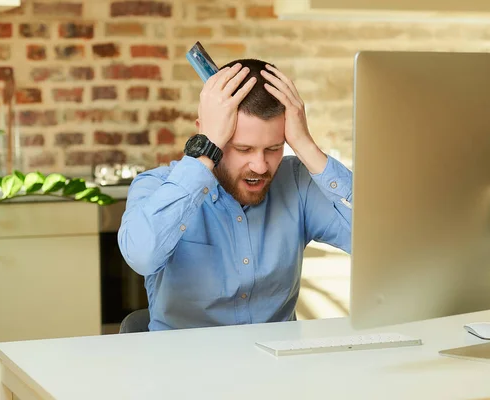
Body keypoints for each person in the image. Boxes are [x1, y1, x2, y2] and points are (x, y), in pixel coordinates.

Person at [118, 59, 353, 331]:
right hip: (183, 367)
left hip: (275, 368)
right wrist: (206, 149)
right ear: (207, 134)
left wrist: (306, 146)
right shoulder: (156, 186)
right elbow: (141, 256)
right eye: (243, 149)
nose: (261, 166)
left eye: (274, 148)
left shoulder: (297, 183)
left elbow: (380, 240)